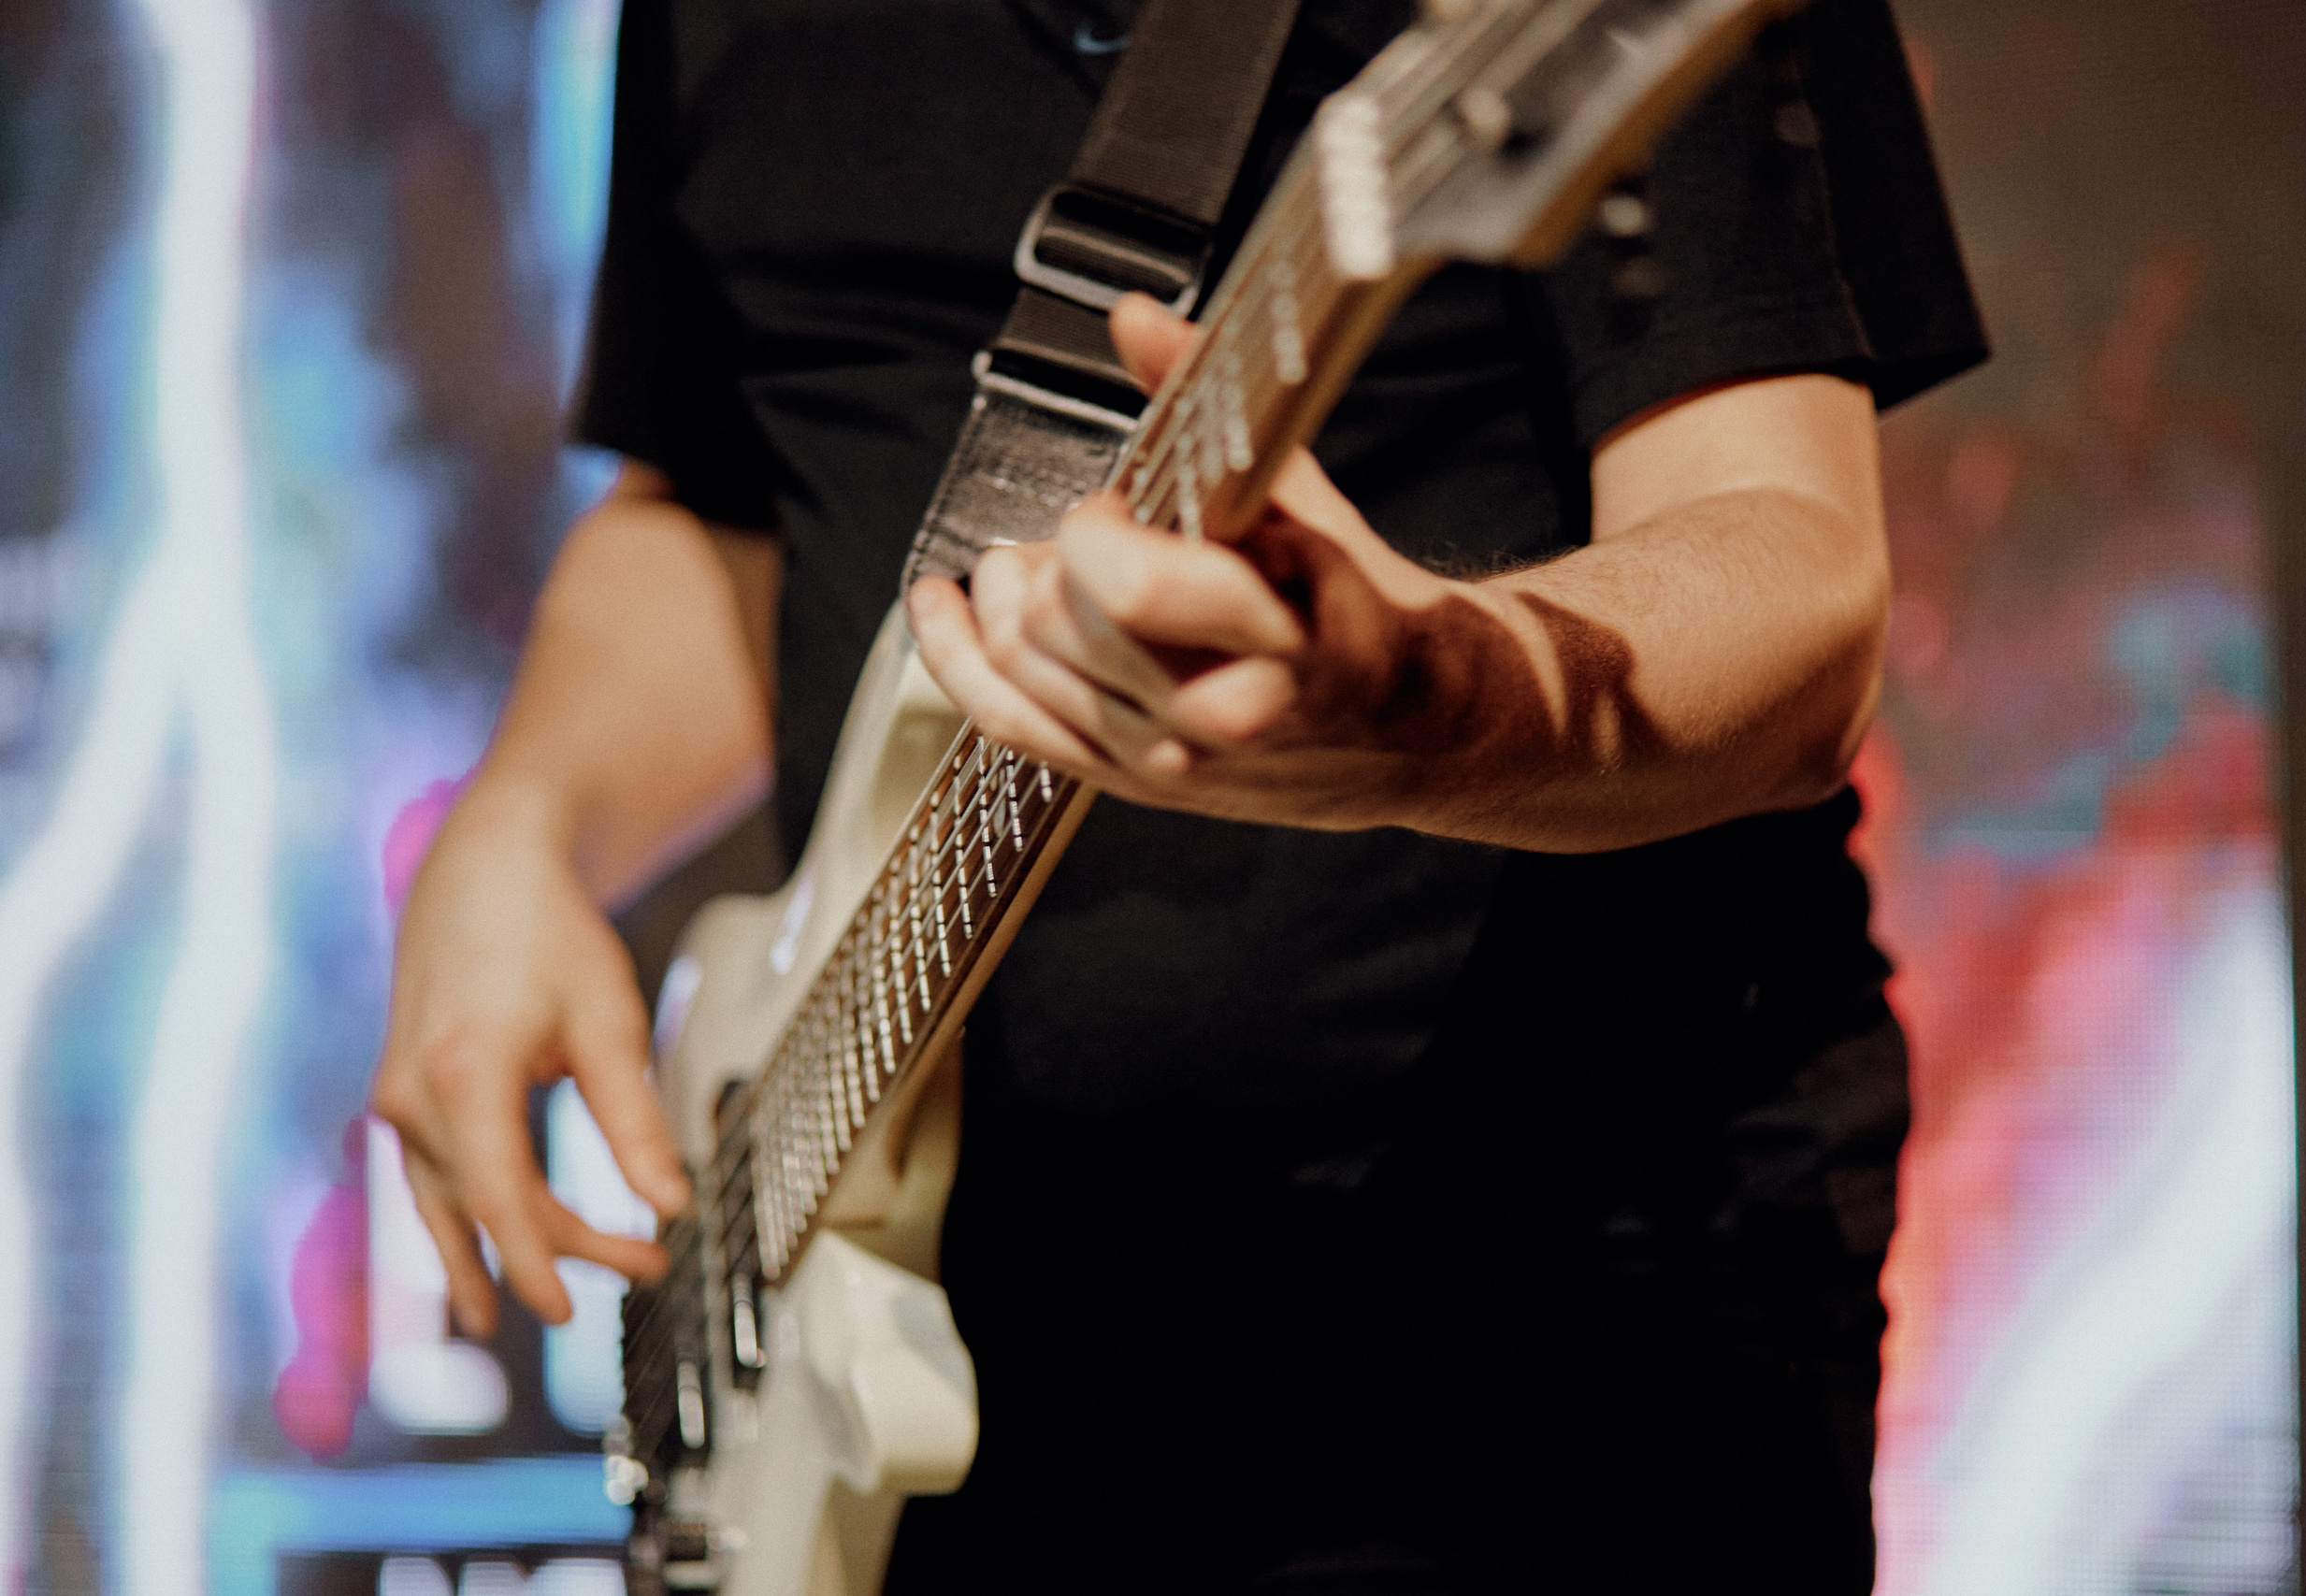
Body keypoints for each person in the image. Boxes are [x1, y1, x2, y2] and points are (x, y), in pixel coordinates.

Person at [371, 0, 1984, 1589]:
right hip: (947, 1335)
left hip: (1534, 1326)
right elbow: (734, 499)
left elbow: (1795, 583)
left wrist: (1428, 705)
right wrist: (520, 823)